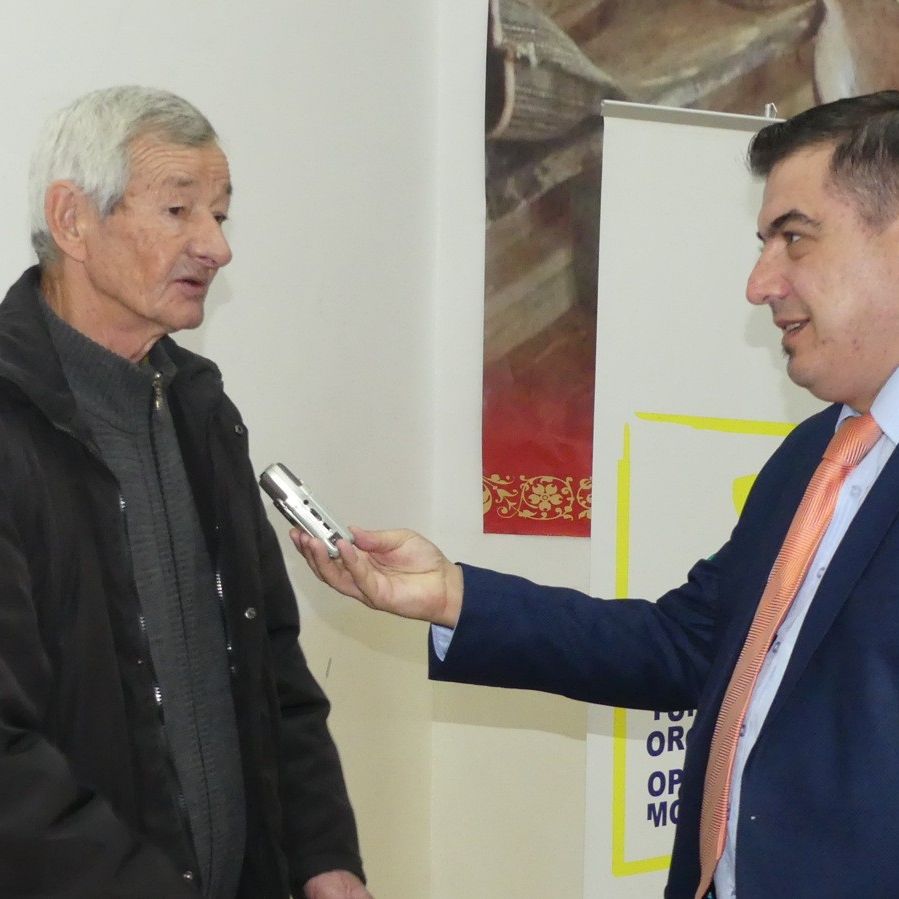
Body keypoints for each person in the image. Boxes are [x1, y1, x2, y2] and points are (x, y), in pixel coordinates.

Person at [295, 90, 899, 899]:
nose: (759, 284)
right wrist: (452, 596)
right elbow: (686, 643)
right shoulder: (812, 458)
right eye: (762, 245)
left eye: (794, 238)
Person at [0, 86, 371, 899]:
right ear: (72, 220)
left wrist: (323, 852)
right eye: (178, 210)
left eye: (221, 215)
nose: (217, 247)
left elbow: (272, 667)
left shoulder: (201, 410)